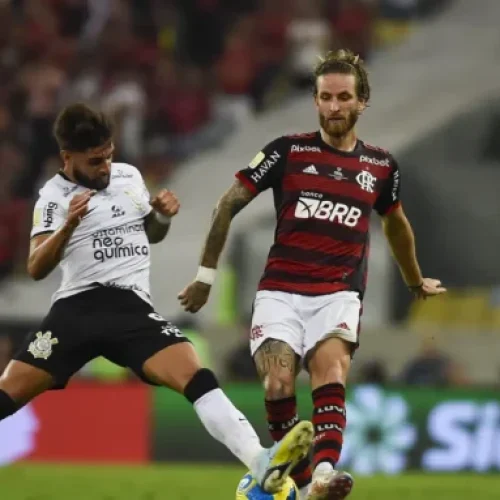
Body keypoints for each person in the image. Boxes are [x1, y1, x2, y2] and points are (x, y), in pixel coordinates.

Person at [0, 103, 313, 493]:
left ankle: (259, 460)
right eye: (96, 161)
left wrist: (161, 216)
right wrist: (68, 227)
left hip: (131, 308)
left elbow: (150, 233)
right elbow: (35, 267)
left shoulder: (128, 176)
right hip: (76, 310)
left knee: (196, 376)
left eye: (109, 155)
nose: (105, 167)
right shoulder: (52, 197)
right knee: (7, 394)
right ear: (68, 158)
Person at [178, 49, 447, 500]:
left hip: (338, 293)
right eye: (326, 97)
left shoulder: (380, 167)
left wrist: (414, 279)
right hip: (281, 291)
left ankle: (322, 474)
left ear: (362, 102)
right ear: (316, 100)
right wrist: (206, 275)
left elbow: (396, 225)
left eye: (344, 97)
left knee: (331, 373)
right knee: (278, 381)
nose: (334, 106)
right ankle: (304, 488)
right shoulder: (287, 151)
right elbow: (227, 204)